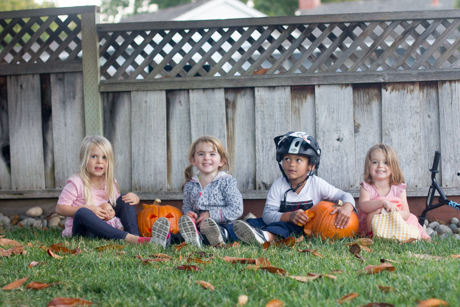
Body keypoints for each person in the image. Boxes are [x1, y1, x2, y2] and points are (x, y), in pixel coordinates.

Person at [233, 131, 356, 244]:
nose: (291, 164)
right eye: (287, 159)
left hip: (302, 228)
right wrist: (289, 216)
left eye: (298, 160)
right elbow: (267, 215)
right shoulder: (278, 185)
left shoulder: (317, 184)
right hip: (281, 221)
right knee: (254, 222)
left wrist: (347, 207)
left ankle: (264, 237)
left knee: (286, 228)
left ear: (311, 165)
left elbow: (345, 195)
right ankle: (224, 232)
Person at [55, 135, 170, 248]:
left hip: (107, 228)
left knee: (125, 198)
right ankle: (131, 239)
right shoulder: (76, 182)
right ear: (84, 159)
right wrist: (88, 208)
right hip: (86, 232)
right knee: (83, 212)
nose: (100, 161)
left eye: (104, 158)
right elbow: (60, 209)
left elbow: (116, 206)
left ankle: (135, 236)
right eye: (94, 156)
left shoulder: (109, 182)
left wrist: (135, 198)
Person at [179, 136, 243, 247]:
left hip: (223, 225)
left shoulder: (226, 182)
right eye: (201, 154)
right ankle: (174, 238)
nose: (206, 158)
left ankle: (216, 237)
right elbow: (187, 206)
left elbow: (236, 209)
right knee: (181, 235)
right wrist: (189, 214)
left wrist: (211, 215)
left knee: (233, 230)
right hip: (198, 226)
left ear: (222, 161)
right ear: (193, 160)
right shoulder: (190, 185)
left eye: (212, 154)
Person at [357, 144, 430, 239]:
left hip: (395, 221)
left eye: (386, 163)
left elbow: (406, 213)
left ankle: (400, 235)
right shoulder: (367, 187)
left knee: (412, 220)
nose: (380, 166)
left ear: (393, 166)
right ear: (368, 165)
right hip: (373, 223)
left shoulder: (399, 188)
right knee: (374, 213)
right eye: (375, 162)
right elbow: (363, 206)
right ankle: (373, 236)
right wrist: (382, 203)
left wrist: (394, 214)